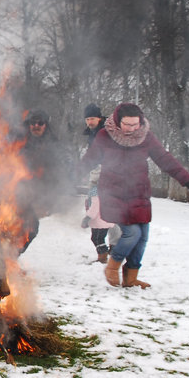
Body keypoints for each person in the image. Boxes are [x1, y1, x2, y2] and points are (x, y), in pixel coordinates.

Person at [78, 103, 189, 289]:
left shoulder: (145, 137)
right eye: (127, 124)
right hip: (113, 192)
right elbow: (88, 161)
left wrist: (187, 180)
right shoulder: (105, 136)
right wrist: (69, 178)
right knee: (132, 233)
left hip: (138, 192)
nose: (132, 129)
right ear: (118, 121)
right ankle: (113, 265)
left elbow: (164, 158)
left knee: (143, 237)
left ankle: (131, 277)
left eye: (135, 125)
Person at [14, 109, 67, 253]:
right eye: (33, 123)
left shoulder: (53, 144)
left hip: (35, 193)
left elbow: (58, 172)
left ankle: (9, 259)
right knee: (9, 226)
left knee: (31, 230)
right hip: (13, 191)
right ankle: (3, 260)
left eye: (40, 123)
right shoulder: (18, 140)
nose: (36, 126)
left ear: (46, 125)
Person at [80, 104, 115, 263]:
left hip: (108, 169)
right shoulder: (91, 133)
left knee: (108, 204)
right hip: (95, 169)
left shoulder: (108, 130)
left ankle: (115, 247)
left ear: (99, 118)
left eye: (92, 118)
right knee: (95, 198)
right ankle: (107, 249)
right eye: (87, 119)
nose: (89, 121)